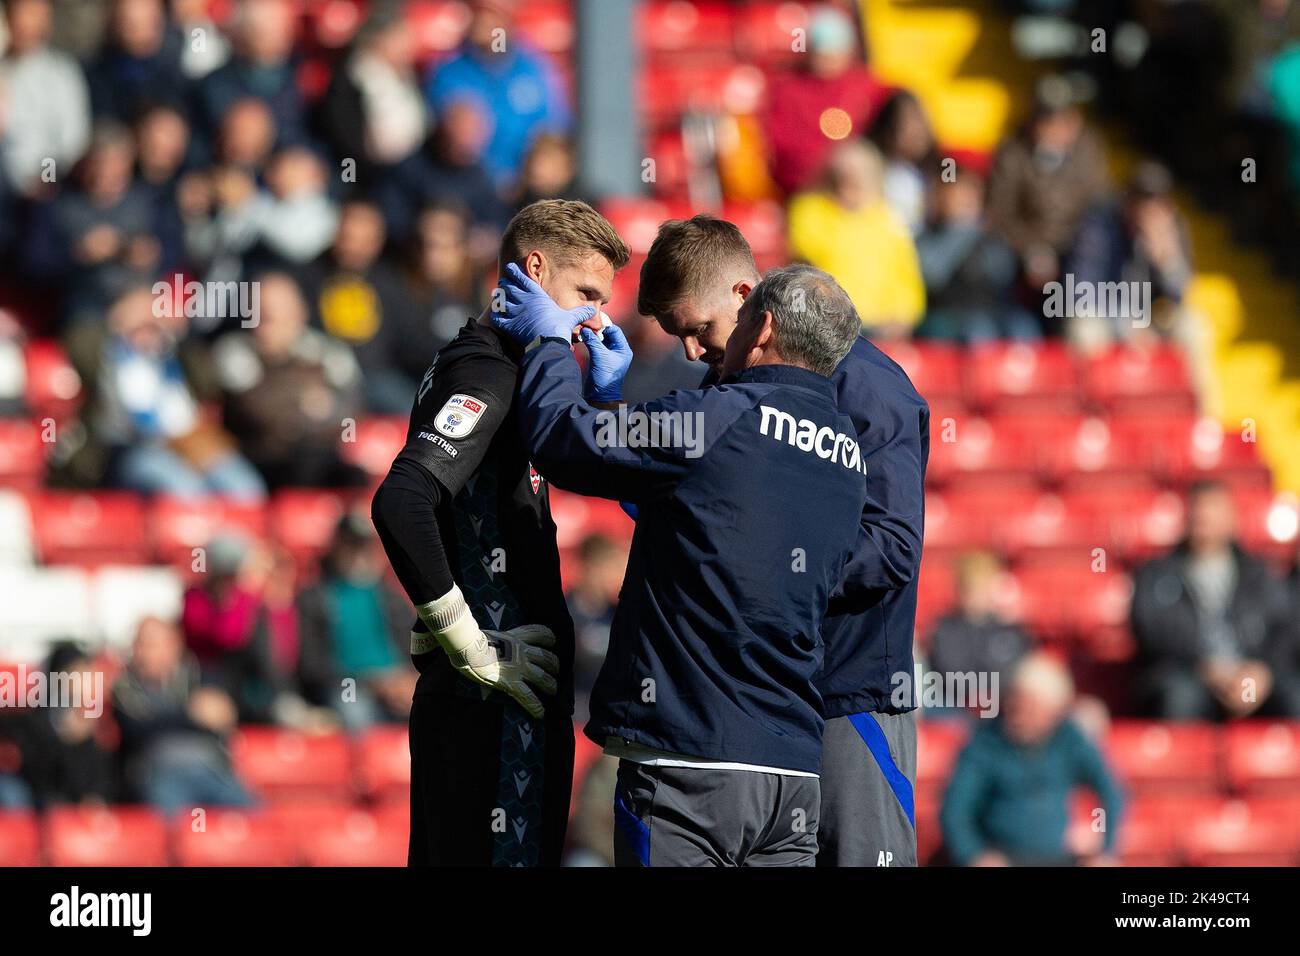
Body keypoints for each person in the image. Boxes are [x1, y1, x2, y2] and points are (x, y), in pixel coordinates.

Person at [492, 262, 869, 867]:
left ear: (763, 326)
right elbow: (695, 513)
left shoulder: (719, 416)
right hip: (792, 771)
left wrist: (548, 344)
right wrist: (612, 402)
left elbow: (563, 438)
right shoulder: (847, 451)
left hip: (689, 764)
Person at [635, 214, 928, 867]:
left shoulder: (870, 390)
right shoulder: (731, 390)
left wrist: (771, 562)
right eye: (676, 336)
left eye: (698, 330)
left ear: (747, 302)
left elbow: (893, 547)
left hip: (850, 691)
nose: (690, 352)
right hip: (760, 704)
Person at [370, 199, 630, 867]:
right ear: (534, 269)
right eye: (586, 295)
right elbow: (402, 500)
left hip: (483, 690)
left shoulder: (485, 362)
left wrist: (604, 407)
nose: (596, 319)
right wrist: (464, 637)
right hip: (497, 695)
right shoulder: (490, 370)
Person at [1130, 480, 1300, 719]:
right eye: (1199, 511)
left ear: (1231, 518)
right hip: (1191, 676)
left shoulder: (1259, 573)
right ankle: (1186, 757)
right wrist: (1206, 667)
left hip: (1251, 677)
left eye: (1212, 511)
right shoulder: (1157, 574)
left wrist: (1263, 672)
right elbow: (1151, 633)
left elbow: (1284, 628)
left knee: (1294, 696)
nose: (1204, 519)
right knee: (1181, 697)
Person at [940, 653, 1124, 867]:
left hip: (1058, 859)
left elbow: (1109, 792)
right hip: (1003, 858)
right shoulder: (984, 744)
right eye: (1015, 704)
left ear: (1052, 713)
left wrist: (1104, 849)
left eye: (1031, 709)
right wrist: (974, 855)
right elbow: (955, 810)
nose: (1019, 715)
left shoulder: (1070, 739)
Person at [111, 616, 256, 815]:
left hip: (209, 768)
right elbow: (139, 729)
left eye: (152, 645)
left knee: (257, 822)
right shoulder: (125, 686)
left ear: (174, 645)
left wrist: (204, 714)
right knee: (185, 830)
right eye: (140, 644)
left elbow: (220, 713)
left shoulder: (199, 675)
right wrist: (190, 713)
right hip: (160, 774)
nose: (143, 653)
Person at [424, 0, 572, 188]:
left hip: (525, 185)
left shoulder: (533, 68)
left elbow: (554, 127)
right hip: (469, 185)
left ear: (506, 20)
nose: (482, 23)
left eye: (491, 16)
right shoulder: (449, 72)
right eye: (477, 14)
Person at [787, 140, 926, 336]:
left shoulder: (889, 219)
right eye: (845, 176)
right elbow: (807, 264)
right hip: (828, 323)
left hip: (880, 327)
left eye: (860, 176)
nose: (852, 183)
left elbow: (907, 280)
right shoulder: (809, 210)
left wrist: (902, 316)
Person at [762, 3, 889, 195]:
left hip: (864, 190)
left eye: (832, 54)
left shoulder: (867, 86)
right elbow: (781, 147)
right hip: (808, 189)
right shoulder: (788, 91)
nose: (826, 61)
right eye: (821, 54)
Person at [925, 552, 1031, 711]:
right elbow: (951, 675)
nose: (978, 594)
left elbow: (1020, 674)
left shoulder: (1010, 630)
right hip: (954, 707)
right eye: (972, 587)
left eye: (984, 586)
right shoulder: (944, 628)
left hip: (1002, 709)